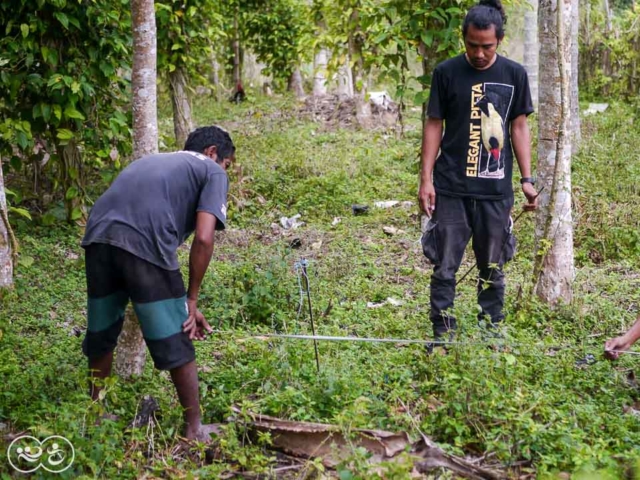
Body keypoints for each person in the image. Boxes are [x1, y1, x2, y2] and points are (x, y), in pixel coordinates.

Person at [81, 125, 234, 442]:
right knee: (177, 330)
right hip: (144, 238)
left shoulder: (154, 161)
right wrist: (190, 301)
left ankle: (95, 416)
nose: (226, 172)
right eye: (227, 164)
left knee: (102, 327)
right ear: (212, 153)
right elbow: (205, 237)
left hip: (98, 235)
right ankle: (194, 428)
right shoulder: (211, 170)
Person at [418, 0, 538, 344]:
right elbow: (434, 124)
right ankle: (443, 336)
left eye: (486, 46)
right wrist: (426, 179)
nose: (479, 53)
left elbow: (518, 127)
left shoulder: (514, 74)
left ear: (499, 40)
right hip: (451, 187)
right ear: (464, 39)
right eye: (472, 45)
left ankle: (491, 337)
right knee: (444, 266)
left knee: (493, 267)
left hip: (495, 191)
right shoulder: (447, 72)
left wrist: (527, 180)